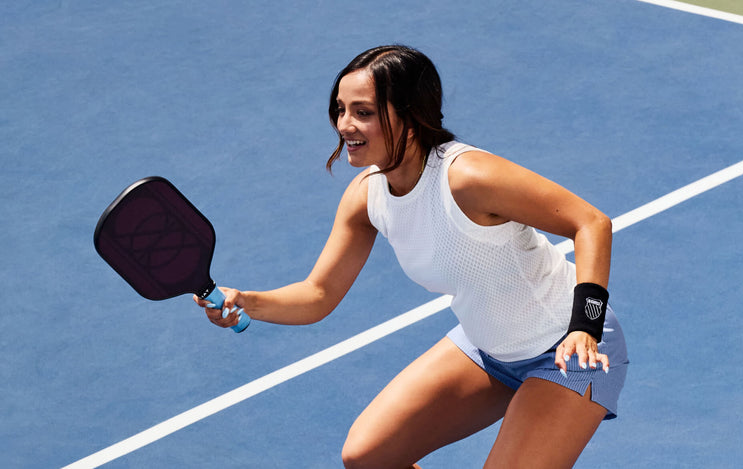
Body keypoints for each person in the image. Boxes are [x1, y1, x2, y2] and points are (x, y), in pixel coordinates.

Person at [195, 45, 628, 469]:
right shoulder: (367, 196)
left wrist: (584, 327)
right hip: (487, 349)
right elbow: (318, 293)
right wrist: (247, 301)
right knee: (367, 458)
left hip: (570, 350)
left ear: (410, 117)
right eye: (341, 109)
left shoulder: (469, 178)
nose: (345, 124)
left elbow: (590, 223)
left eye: (363, 112)